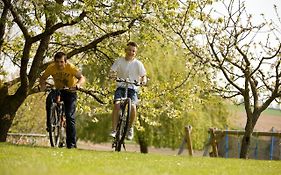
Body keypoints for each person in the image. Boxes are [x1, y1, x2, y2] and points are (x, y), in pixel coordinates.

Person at [39, 52, 85, 149]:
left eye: (61, 62)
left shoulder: (71, 67)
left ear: (65, 62)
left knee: (69, 117)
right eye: (57, 62)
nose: (59, 64)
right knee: (49, 99)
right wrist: (43, 86)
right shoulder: (51, 68)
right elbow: (42, 78)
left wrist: (78, 85)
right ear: (54, 62)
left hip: (70, 92)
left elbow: (82, 78)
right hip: (58, 90)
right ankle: (50, 123)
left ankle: (71, 144)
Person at [109, 41, 147, 140]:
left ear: (135, 53)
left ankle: (130, 128)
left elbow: (143, 76)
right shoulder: (119, 61)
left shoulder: (138, 64)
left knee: (133, 107)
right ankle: (114, 130)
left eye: (133, 51)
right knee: (117, 105)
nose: (131, 52)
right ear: (125, 50)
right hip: (121, 87)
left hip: (132, 88)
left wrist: (143, 81)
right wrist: (112, 76)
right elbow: (112, 71)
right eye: (129, 50)